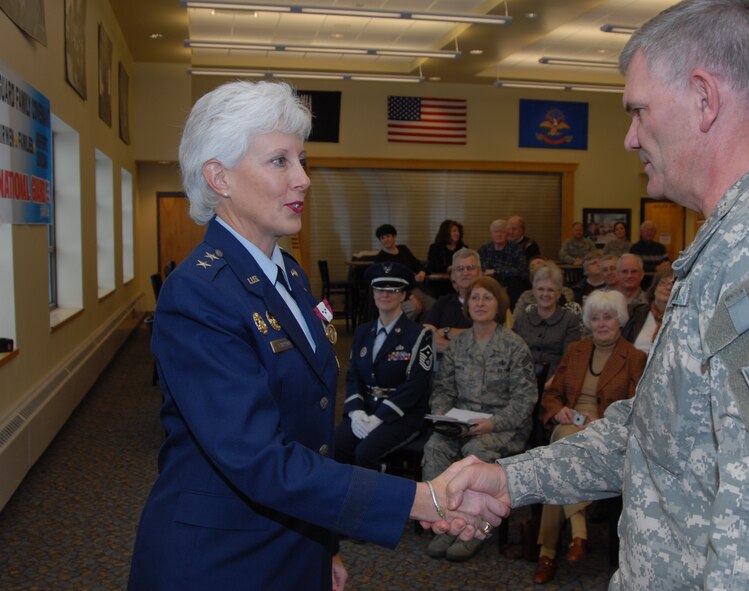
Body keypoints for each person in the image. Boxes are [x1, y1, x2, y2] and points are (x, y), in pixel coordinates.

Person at [439, 1, 749, 588]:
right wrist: (513, 479)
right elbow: (656, 433)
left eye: (638, 110)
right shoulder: (735, 241)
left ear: (704, 98)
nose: (631, 137)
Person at [129, 80, 503, 591]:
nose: (303, 179)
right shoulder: (199, 294)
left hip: (293, 538)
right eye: (279, 161)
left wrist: (322, 544)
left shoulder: (289, 274)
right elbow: (259, 458)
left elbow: (309, 430)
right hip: (219, 558)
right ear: (219, 176)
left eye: (301, 160)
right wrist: (425, 499)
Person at [532, 290, 647, 585]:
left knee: (555, 462)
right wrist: (558, 412)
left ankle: (547, 551)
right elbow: (553, 394)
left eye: (607, 317)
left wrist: (605, 422)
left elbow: (638, 408)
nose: (601, 323)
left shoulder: (635, 358)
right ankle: (578, 531)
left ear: (619, 320)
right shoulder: (576, 350)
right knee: (563, 443)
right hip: (569, 426)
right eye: (595, 318)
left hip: (606, 431)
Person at [423, 276, 537, 562]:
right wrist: (443, 417)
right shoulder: (458, 344)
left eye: (487, 297)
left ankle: (476, 528)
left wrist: (491, 424)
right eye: (475, 297)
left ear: (499, 304)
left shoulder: (514, 345)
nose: (480, 303)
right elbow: (443, 389)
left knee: (477, 453)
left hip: (504, 425)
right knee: (435, 447)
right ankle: (447, 522)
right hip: (461, 423)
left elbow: (525, 400)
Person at [334, 262, 433, 471]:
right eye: (380, 289)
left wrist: (379, 418)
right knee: (336, 446)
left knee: (365, 453)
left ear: (403, 295)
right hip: (367, 408)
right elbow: (354, 377)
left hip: (403, 414)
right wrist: (355, 411)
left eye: (393, 290)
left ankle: (373, 501)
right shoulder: (362, 332)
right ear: (373, 292)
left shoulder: (419, 335)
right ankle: (344, 500)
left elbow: (417, 385)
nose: (385, 295)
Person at [512, 261, 583, 376]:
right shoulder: (521, 319)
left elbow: (570, 361)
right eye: (540, 289)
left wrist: (550, 384)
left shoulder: (570, 321)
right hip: (522, 381)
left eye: (550, 290)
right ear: (534, 292)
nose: (545, 294)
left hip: (556, 382)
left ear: (559, 294)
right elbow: (513, 356)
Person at [423, 248, 482, 355]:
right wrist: (454, 348)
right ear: (453, 275)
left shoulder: (490, 303)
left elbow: (487, 338)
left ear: (480, 273)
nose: (465, 272)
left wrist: (447, 332)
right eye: (459, 268)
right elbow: (426, 336)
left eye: (471, 268)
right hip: (442, 368)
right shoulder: (443, 302)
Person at [373, 223, 432, 320]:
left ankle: (422, 331)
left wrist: (422, 272)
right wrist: (411, 297)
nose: (386, 239)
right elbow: (389, 284)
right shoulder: (380, 259)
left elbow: (418, 265)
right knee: (413, 308)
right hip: (396, 292)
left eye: (388, 236)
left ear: (394, 237)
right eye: (382, 238)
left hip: (413, 288)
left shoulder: (403, 249)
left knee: (433, 306)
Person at [478, 219, 529, 309]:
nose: (499, 234)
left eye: (502, 232)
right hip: (487, 289)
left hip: (510, 291)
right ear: (491, 234)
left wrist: (496, 272)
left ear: (507, 234)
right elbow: (478, 269)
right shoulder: (484, 250)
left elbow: (523, 271)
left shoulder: (516, 250)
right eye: (496, 232)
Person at [622, 267, 674, 353]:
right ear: (654, 288)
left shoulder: (682, 320)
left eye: (673, 284)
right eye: (663, 283)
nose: (668, 287)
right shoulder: (633, 313)